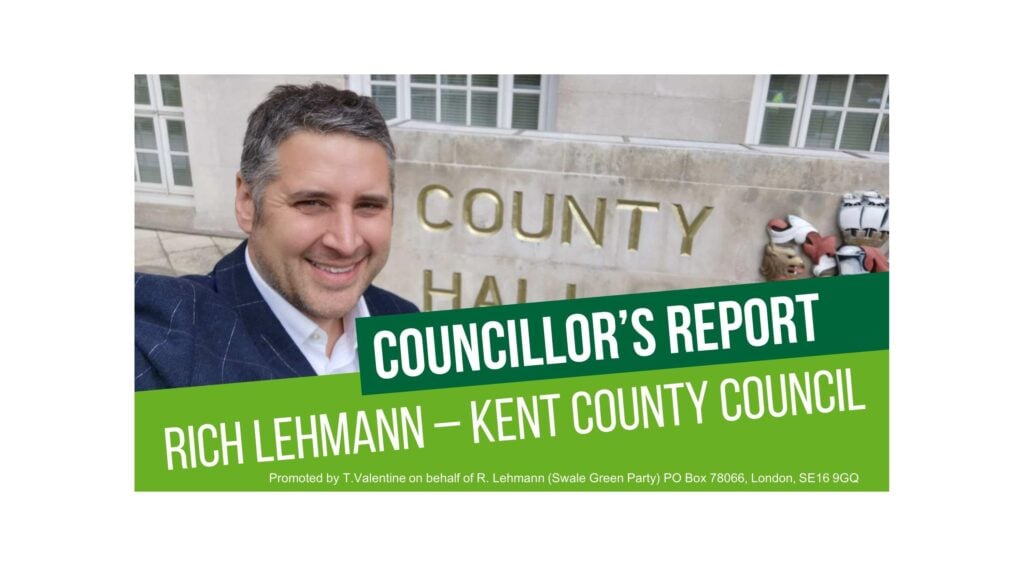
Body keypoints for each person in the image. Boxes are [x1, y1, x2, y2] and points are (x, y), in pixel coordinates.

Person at [135, 83, 417, 391]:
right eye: (311, 203)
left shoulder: (405, 322)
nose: (346, 242)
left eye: (368, 206)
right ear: (246, 202)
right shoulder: (168, 341)